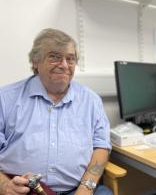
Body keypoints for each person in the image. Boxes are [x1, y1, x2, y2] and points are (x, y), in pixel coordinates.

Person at [0, 28, 113, 195]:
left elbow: (101, 147)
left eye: (70, 59)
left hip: (78, 189)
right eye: (54, 57)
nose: (64, 65)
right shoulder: (5, 99)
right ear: (35, 62)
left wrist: (86, 187)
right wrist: (4, 186)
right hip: (21, 191)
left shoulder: (91, 101)